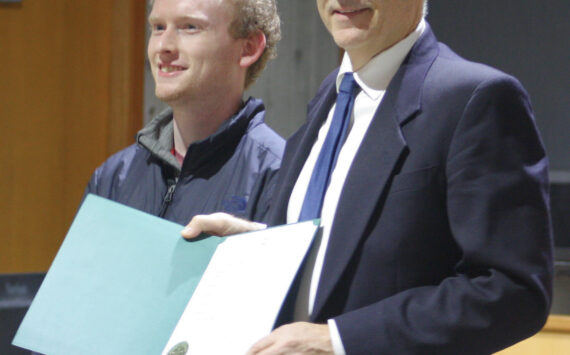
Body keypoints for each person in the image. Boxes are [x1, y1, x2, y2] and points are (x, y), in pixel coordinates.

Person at [183, 0, 553, 354]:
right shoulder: (332, 92)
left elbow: (512, 292)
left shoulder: (475, 97)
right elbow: (349, 243)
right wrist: (256, 244)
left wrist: (341, 341)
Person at [84, 0, 284, 225]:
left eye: (190, 27)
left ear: (248, 48)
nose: (164, 46)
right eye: (158, 27)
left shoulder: (282, 177)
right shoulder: (113, 178)